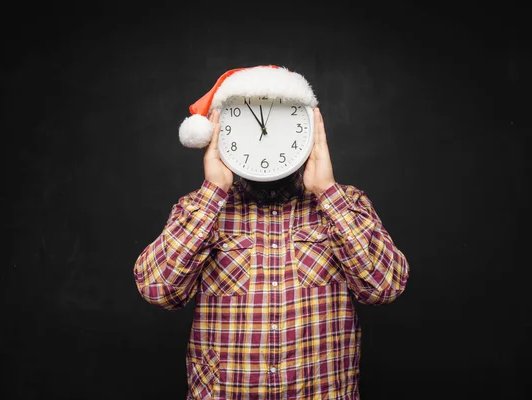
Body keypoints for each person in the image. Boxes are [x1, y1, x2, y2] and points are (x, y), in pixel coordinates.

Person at [133, 65, 410, 400]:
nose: (264, 134)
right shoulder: (199, 209)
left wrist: (327, 192)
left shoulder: (345, 203)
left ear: (308, 129)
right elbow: (158, 290)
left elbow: (386, 287)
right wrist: (213, 191)